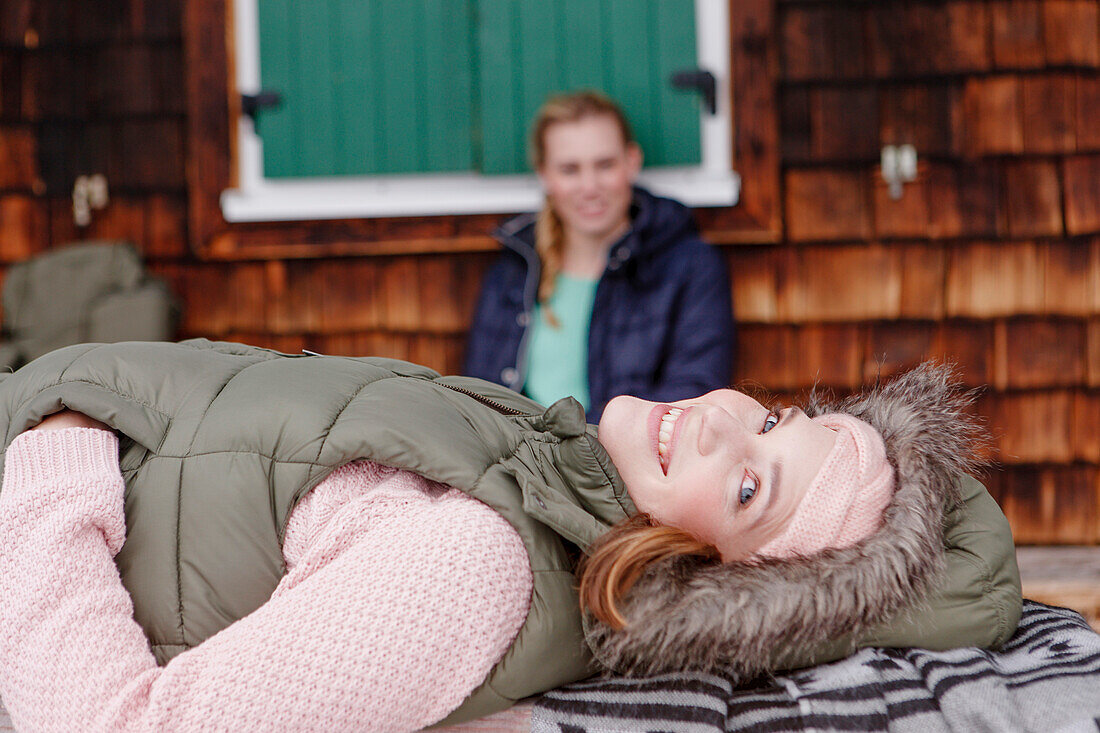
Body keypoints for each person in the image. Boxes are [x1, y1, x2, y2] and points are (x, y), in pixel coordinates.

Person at [0, 340, 1019, 730]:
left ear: (715, 584)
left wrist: (55, 447)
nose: (718, 418)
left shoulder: (474, 568)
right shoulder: (540, 471)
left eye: (749, 484)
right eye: (774, 419)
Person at [464, 90, 734, 422]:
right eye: (569, 169)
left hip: (623, 465)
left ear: (632, 162)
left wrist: (574, 444)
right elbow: (477, 395)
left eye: (605, 165)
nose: (589, 186)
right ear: (544, 174)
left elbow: (696, 391)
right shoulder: (512, 271)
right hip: (520, 464)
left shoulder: (690, 266)